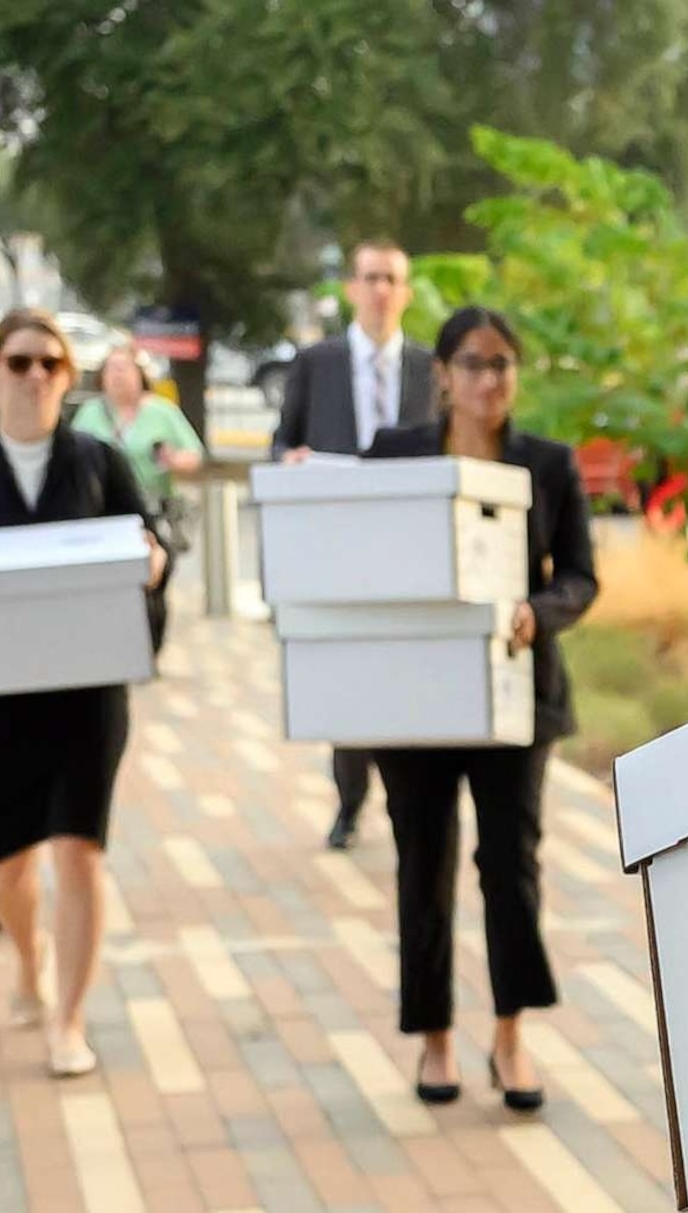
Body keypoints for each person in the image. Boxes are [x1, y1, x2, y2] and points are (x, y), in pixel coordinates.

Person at [0, 309, 173, 1082]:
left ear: (67, 376)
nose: (34, 377)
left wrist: (150, 559)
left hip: (86, 695)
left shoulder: (96, 459)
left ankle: (69, 1018)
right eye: (18, 363)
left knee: (81, 851)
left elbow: (148, 541)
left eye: (50, 364)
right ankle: (28, 960)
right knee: (5, 867)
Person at [363, 306, 595, 1114]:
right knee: (422, 865)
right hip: (415, 696)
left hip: (513, 690)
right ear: (442, 373)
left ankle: (509, 1037)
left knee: (511, 866)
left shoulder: (549, 464)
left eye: (502, 363)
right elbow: (366, 551)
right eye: (473, 362)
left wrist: (541, 608)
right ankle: (433, 1040)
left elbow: (580, 577)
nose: (489, 379)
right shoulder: (394, 455)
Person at [271, 237, 435, 850]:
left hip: (409, 545)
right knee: (347, 675)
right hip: (337, 543)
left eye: (392, 278)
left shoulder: (428, 367)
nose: (381, 290)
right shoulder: (316, 363)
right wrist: (291, 460)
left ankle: (408, 800)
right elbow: (280, 441)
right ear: (351, 288)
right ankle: (349, 800)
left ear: (406, 292)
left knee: (403, 671)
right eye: (370, 277)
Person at [72, 343, 206, 545]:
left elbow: (194, 456)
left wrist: (174, 460)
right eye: (112, 369)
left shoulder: (162, 412)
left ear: (140, 375)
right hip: (102, 511)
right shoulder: (89, 412)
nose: (118, 375)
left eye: (124, 368)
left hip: (151, 510)